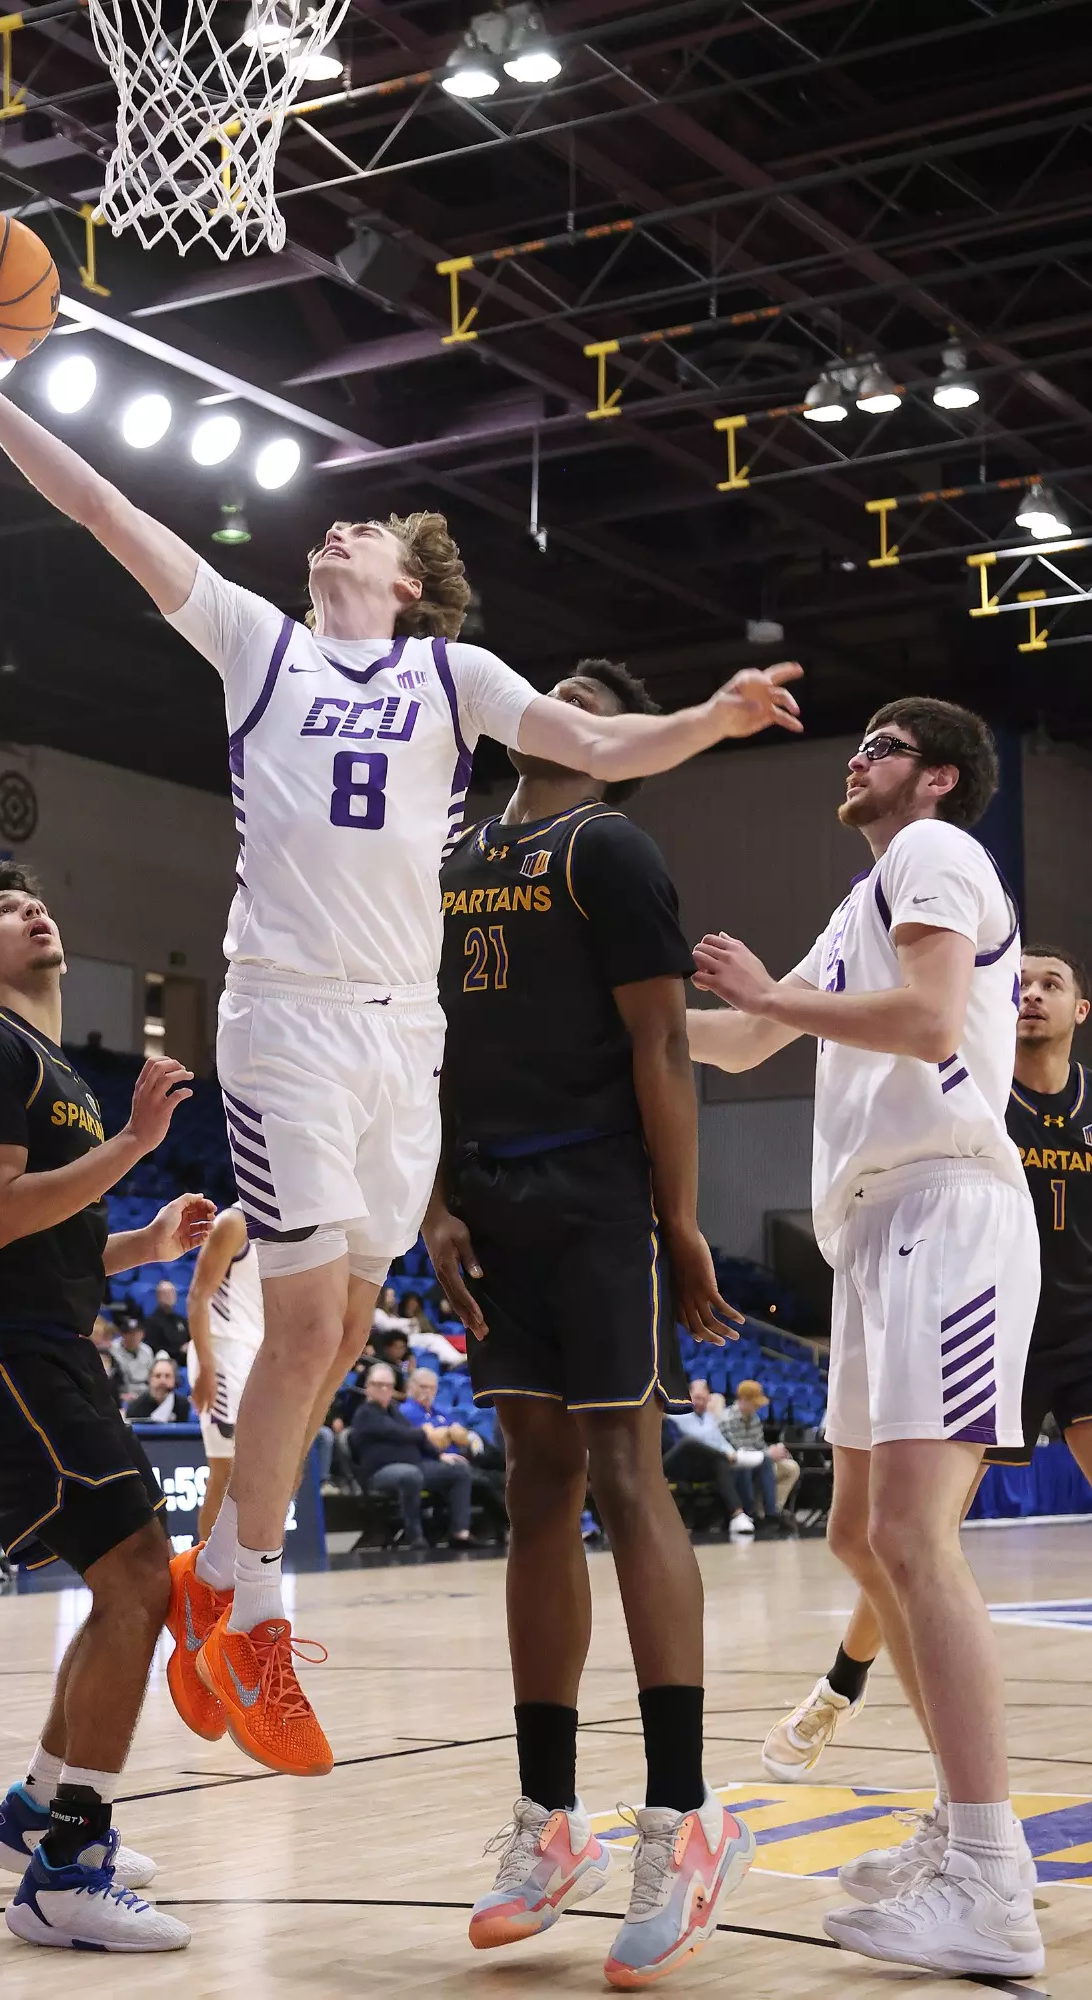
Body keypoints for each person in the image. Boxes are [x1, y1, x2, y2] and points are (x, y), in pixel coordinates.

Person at [0, 319, 800, 1782]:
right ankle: (246, 1613)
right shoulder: (254, 642)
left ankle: (229, 1587)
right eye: (328, 524)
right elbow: (99, 507)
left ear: (403, 586)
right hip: (283, 1016)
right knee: (298, 1333)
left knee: (345, 1332)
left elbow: (598, 750)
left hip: (405, 1040)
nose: (327, 531)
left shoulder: (452, 679)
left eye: (358, 528)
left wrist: (711, 721)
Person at [689, 699, 1042, 1978]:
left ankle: (994, 1879)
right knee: (854, 1530)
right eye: (863, 742)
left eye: (888, 746)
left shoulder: (936, 853)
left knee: (908, 1531)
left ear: (938, 777)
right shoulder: (862, 902)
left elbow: (935, 1022)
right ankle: (962, 1828)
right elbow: (740, 1040)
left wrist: (769, 992)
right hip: (877, 1228)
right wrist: (610, 1025)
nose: (862, 755)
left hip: (947, 1208)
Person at [423, 657, 756, 1985]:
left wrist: (679, 1222)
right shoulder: (448, 861)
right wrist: (434, 1200)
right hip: (488, 1196)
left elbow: (662, 1047)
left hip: (598, 1189)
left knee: (625, 1472)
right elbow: (422, 1043)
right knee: (531, 1483)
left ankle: (680, 1817)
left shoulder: (609, 846)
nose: (550, 706)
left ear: (619, 745)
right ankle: (548, 1820)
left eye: (586, 701)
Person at [0, 857, 212, 1952]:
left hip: (48, 1341)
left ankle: (41, 1807)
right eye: (5, 909)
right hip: (4, 1350)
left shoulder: (67, 1077)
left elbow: (68, 1248)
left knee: (123, 1584)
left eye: (36, 901)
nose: (33, 910)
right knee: (139, 1576)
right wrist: (135, 1147)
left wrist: (146, 1240)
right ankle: (66, 1871)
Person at [763, 942, 1092, 1787]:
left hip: (1083, 1333)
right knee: (912, 1539)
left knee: (902, 1538)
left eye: (1050, 984)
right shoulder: (977, 1097)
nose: (1029, 994)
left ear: (1079, 1013)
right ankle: (842, 1683)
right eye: (1017, 982)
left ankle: (849, 1693)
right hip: (988, 1317)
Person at [180, 1202, 264, 1546]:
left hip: (254, 1357)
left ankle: (240, 1571)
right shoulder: (233, 1222)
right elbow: (198, 1297)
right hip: (223, 1355)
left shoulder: (279, 1230)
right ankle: (210, 1583)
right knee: (225, 1474)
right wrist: (207, 1368)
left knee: (252, 1472)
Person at [349, 1361, 473, 1548]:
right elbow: (398, 1432)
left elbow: (418, 1437)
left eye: (388, 1385)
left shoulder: (393, 1411)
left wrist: (439, 1455)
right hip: (379, 1473)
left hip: (414, 1465)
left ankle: (459, 1533)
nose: (384, 1389)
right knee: (410, 1475)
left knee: (459, 1470)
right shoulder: (365, 1413)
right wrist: (421, 1432)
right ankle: (415, 1536)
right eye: (378, 1385)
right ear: (368, 1387)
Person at [663, 1381, 758, 1536]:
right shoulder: (677, 1413)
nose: (700, 1403)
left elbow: (719, 1440)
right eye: (697, 1398)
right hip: (671, 1462)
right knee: (691, 1442)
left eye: (704, 1399)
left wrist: (730, 1453)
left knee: (721, 1463)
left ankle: (738, 1515)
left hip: (696, 1465)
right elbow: (698, 1437)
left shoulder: (709, 1418)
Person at [719, 1379, 798, 1529]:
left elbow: (758, 1445)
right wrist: (768, 1453)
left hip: (758, 1461)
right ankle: (758, 1513)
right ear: (743, 1400)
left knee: (791, 1467)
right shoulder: (727, 1419)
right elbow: (738, 1450)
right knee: (758, 1463)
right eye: (754, 1403)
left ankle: (773, 1511)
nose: (757, 1407)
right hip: (735, 1464)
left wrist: (776, 1452)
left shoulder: (755, 1419)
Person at [126, 1356, 188, 1423]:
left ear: (175, 1379)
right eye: (158, 1376)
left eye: (167, 1376)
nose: (162, 1381)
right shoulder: (136, 1407)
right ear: (150, 1379)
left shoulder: (183, 1405)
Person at [141, 1278, 189, 1366]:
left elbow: (190, 1339)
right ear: (158, 1296)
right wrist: (179, 1350)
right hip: (165, 1363)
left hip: (187, 1362)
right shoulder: (152, 1321)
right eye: (166, 1293)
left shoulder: (180, 1319)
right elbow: (154, 1348)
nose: (170, 1296)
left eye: (172, 1292)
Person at [108, 1317, 156, 1403]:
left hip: (146, 1392)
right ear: (122, 1334)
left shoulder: (147, 1350)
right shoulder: (112, 1350)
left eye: (137, 1333)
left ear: (143, 1334)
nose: (133, 1337)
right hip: (124, 1394)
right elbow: (111, 1379)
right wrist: (120, 1395)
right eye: (129, 1333)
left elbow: (152, 1375)